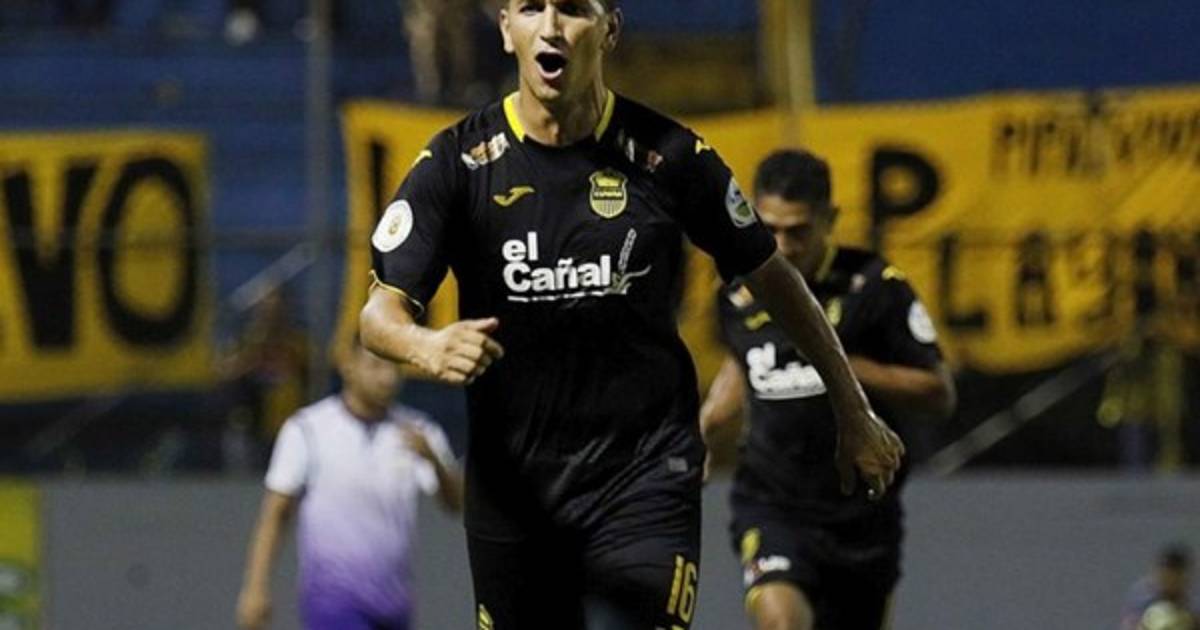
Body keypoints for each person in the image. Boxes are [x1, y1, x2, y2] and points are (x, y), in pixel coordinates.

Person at [359, 1, 904, 627]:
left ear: (610, 29)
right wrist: (425, 346)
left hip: (645, 475)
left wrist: (851, 407)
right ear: (506, 29)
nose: (552, 27)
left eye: (573, 9)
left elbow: (771, 275)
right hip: (515, 491)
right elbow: (378, 316)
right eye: (532, 8)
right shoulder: (457, 164)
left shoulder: (669, 155)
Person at [701, 150, 956, 630]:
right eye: (769, 229)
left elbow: (938, 393)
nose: (782, 246)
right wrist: (702, 431)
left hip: (860, 517)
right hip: (773, 504)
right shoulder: (737, 292)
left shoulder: (875, 287)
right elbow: (742, 366)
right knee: (782, 623)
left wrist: (839, 365)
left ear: (830, 220)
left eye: (797, 231)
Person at [235, 335, 463, 630]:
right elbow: (276, 513)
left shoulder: (418, 430)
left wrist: (434, 461)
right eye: (376, 366)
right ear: (349, 365)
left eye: (394, 368)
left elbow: (456, 504)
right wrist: (255, 587)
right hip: (333, 599)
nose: (387, 377)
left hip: (394, 602)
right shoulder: (308, 429)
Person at [1122, 545, 1196, 630]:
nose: (1169, 580)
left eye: (1174, 576)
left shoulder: (1193, 603)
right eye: (1165, 575)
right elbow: (1130, 624)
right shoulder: (1143, 600)